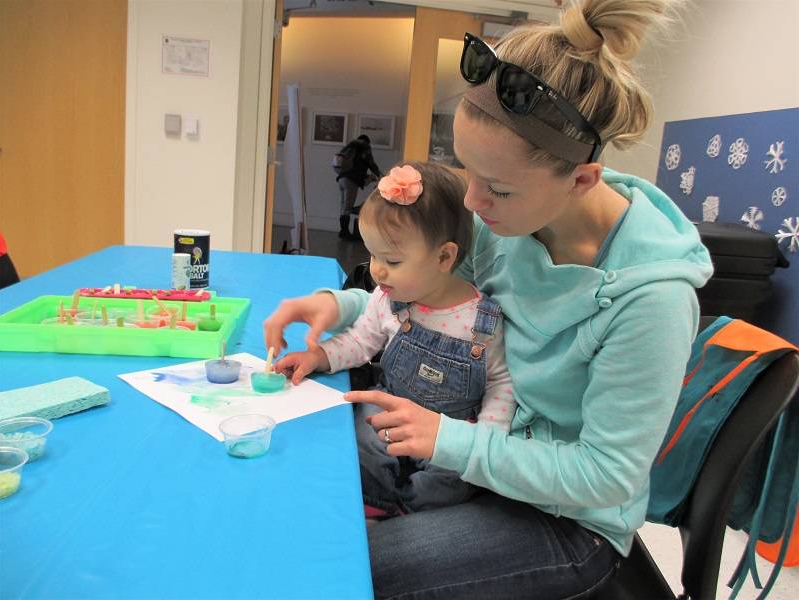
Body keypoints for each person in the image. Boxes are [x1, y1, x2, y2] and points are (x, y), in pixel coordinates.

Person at [264, 1, 713, 597]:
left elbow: (605, 475)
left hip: (563, 518)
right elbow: (431, 289)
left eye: (496, 187)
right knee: (306, 491)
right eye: (466, 170)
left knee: (342, 564)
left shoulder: (649, 301)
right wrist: (338, 305)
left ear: (581, 180)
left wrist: (450, 441)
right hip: (474, 464)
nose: (472, 203)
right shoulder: (511, 226)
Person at [275, 162, 516, 515]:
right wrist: (318, 357)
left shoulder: (482, 320)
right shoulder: (389, 299)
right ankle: (375, 505)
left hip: (449, 431)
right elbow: (361, 341)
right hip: (389, 408)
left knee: (454, 480)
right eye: (372, 254)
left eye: (391, 259)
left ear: (444, 256)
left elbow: (500, 383)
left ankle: (407, 513)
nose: (376, 270)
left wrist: (486, 437)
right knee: (360, 441)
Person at [336, 134, 381, 239]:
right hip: (351, 180)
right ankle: (344, 232)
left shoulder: (350, 147)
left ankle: (343, 231)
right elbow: (371, 164)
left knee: (344, 206)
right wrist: (379, 174)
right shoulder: (364, 149)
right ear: (367, 142)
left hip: (341, 179)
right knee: (347, 207)